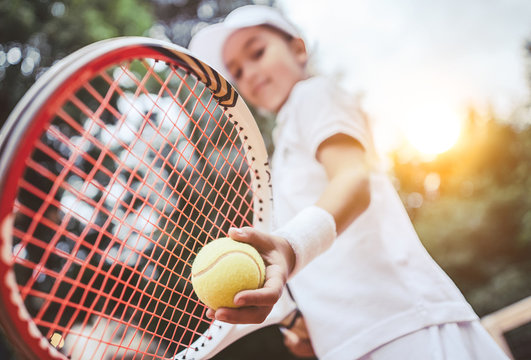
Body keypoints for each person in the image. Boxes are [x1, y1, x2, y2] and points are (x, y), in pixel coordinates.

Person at [188, 5, 509, 360]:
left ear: (298, 49)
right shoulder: (282, 157)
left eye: (257, 52)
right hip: (350, 345)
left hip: (402, 324)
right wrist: (304, 322)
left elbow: (354, 179)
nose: (249, 73)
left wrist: (290, 247)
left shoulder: (313, 95)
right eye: (236, 71)